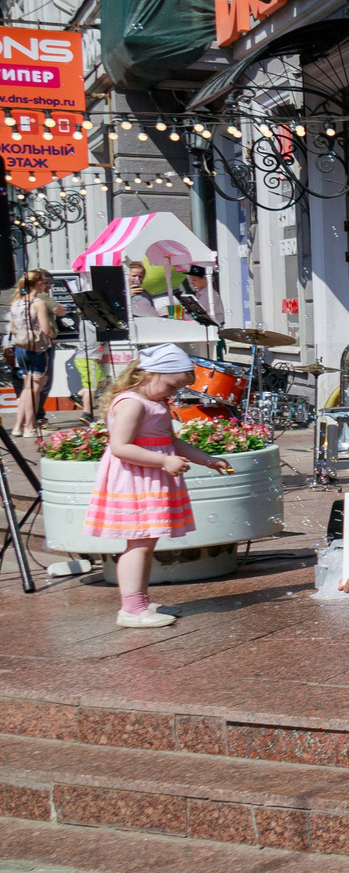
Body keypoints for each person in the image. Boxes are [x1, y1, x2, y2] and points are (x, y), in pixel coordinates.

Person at [86, 345, 231, 628]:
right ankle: (131, 609)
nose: (172, 395)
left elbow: (172, 441)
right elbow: (120, 447)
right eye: (170, 386)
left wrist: (207, 459)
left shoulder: (155, 402)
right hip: (134, 479)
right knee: (138, 543)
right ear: (151, 374)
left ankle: (139, 601)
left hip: (148, 476)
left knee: (146, 542)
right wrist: (163, 461)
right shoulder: (132, 403)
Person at [9, 268, 57, 436]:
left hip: (20, 347)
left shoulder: (16, 302)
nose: (46, 285)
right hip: (38, 348)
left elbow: (13, 328)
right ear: (38, 283)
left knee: (26, 388)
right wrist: (52, 332)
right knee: (34, 388)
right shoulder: (38, 303)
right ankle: (30, 427)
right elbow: (45, 329)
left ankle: (18, 426)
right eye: (44, 282)